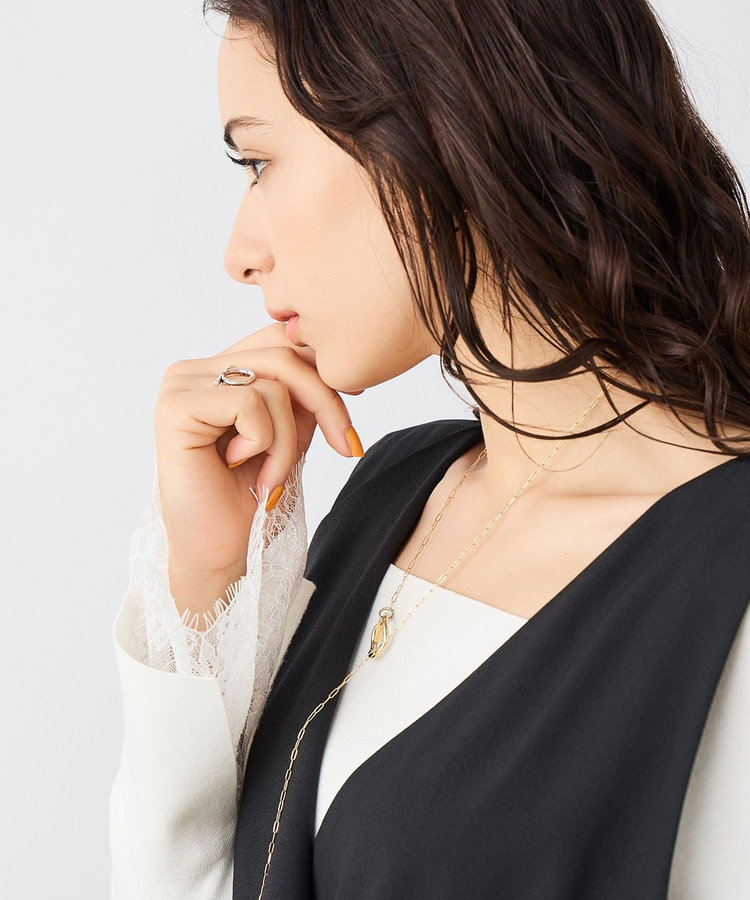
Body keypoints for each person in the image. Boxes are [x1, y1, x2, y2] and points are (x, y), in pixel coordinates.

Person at [109, 0, 750, 897]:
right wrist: (207, 580)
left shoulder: (722, 572)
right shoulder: (396, 490)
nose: (239, 254)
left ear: (436, 125)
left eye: (259, 163)